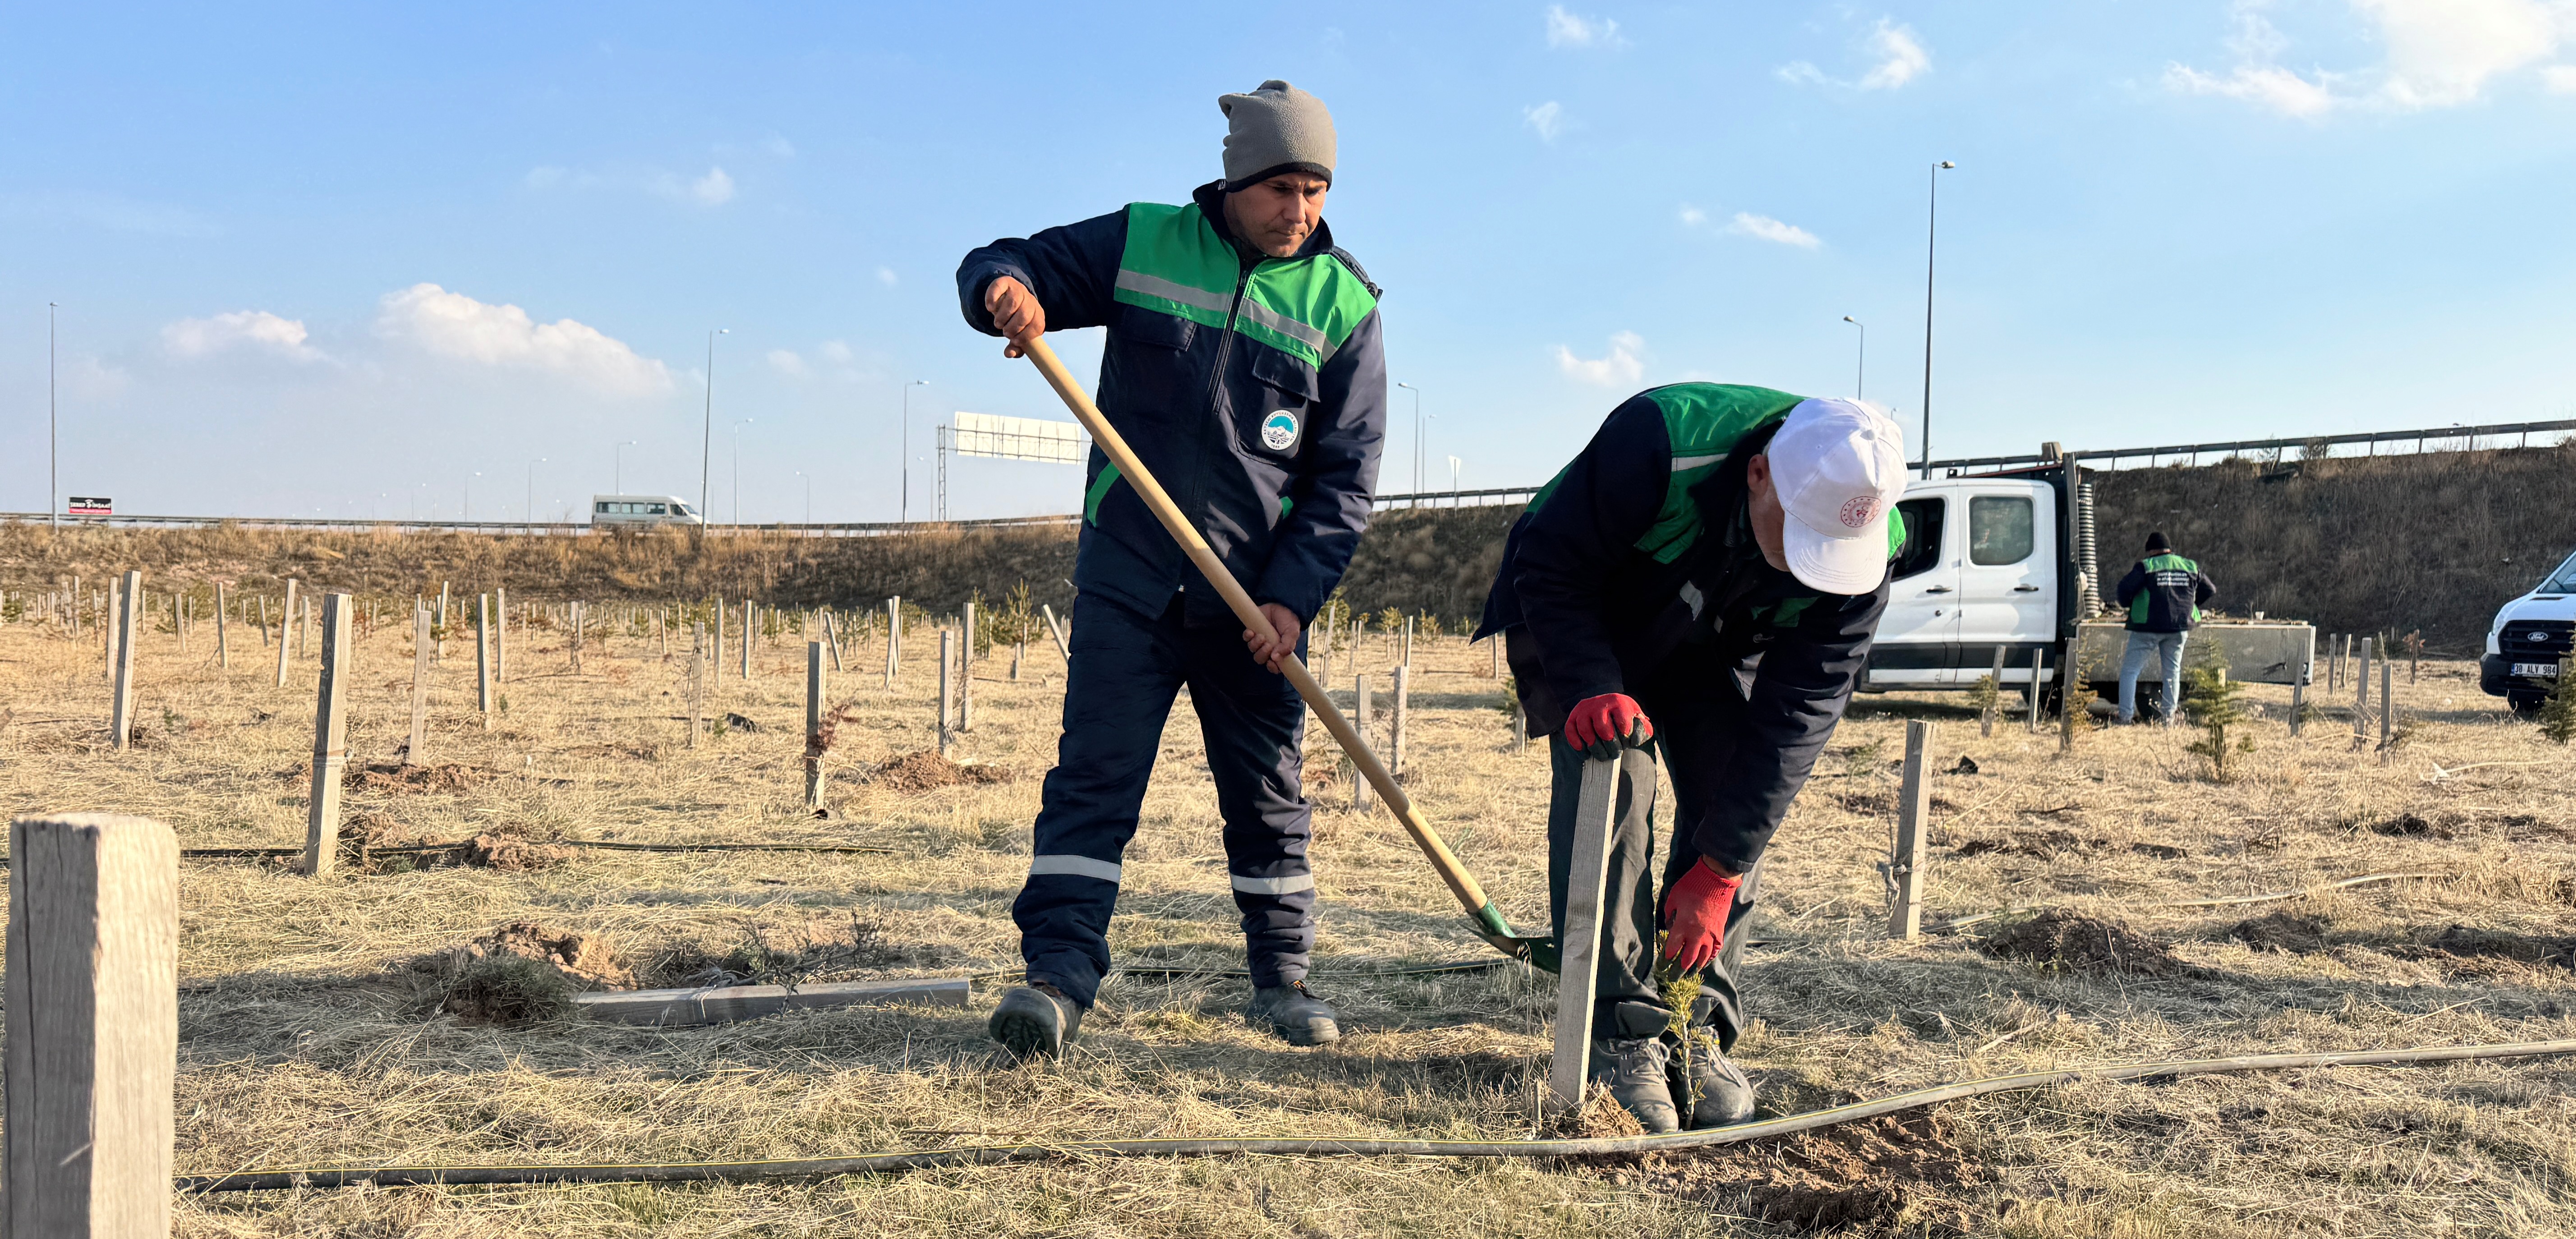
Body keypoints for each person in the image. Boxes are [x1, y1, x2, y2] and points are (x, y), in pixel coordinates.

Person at [953, 81, 1387, 1059]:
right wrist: (1005, 295)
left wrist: (1291, 600)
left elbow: (1344, 481)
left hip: (1255, 607)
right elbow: (1006, 260)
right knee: (1093, 780)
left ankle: (1284, 981)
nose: (1301, 210)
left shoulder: (1345, 305)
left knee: (1269, 796)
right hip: (1131, 580)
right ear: (1238, 182)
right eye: (1283, 187)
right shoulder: (1145, 242)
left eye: (1316, 189)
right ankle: (1057, 978)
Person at [1475, 385, 1904, 1132]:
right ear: (1758, 474)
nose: (1812, 569)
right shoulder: (1662, 443)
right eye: (1799, 537)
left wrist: (1721, 867)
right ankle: (1620, 1028)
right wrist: (1588, 687)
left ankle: (1693, 1020)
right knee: (1616, 774)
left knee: (1730, 786)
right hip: (1592, 619)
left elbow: (1797, 714)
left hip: (1712, 640)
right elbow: (1550, 564)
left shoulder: (1868, 544)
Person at [2113, 531, 2217, 725]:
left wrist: (2130, 605)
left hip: (2147, 628)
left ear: (2151, 551)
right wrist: (2192, 604)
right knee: (2172, 672)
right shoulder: (2190, 566)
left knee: (2130, 671)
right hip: (2179, 627)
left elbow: (2124, 590)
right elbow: (2210, 589)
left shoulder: (2147, 566)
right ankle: (2168, 719)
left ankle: (2125, 717)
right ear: (2170, 549)